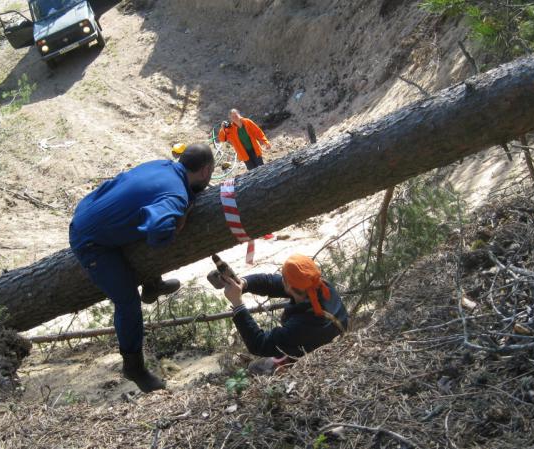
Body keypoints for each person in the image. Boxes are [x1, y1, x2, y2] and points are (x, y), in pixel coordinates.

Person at [69, 144, 214, 392]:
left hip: (90, 209)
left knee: (141, 218)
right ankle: (133, 367)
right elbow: (158, 234)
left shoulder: (162, 166)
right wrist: (182, 218)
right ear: (206, 170)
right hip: (90, 241)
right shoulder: (176, 195)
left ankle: (152, 283)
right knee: (127, 302)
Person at [213, 254, 348, 373]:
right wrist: (244, 283)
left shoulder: (299, 327)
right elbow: (271, 282)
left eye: (283, 277)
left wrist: (238, 304)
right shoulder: (318, 286)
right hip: (320, 342)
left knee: (254, 367)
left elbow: (259, 344)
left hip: (314, 357)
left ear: (289, 285)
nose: (280, 279)